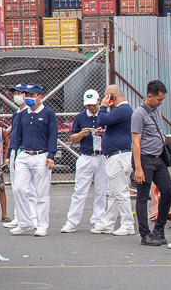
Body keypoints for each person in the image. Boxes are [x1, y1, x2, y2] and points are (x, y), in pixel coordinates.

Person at [10, 83, 57, 237]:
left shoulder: (49, 113)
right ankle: (25, 222)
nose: (28, 98)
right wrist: (16, 155)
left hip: (41, 155)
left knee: (41, 193)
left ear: (39, 96)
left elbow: (53, 135)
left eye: (31, 95)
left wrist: (51, 155)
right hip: (24, 154)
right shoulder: (23, 114)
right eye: (27, 95)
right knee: (19, 188)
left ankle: (42, 225)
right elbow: (18, 135)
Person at [131, 80, 171, 246]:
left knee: (168, 191)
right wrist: (138, 168)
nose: (161, 102)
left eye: (162, 100)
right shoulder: (138, 114)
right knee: (142, 197)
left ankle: (159, 230)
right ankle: (145, 234)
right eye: (159, 99)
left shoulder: (157, 109)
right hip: (145, 159)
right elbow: (136, 142)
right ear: (149, 96)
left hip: (159, 159)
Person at [60, 90, 107, 233]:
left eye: (93, 105)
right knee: (80, 190)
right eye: (88, 106)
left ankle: (98, 220)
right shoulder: (81, 117)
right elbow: (72, 138)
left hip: (102, 156)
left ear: (99, 101)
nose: (91, 108)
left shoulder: (105, 116)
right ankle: (72, 221)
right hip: (86, 156)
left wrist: (103, 132)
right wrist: (81, 134)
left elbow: (113, 133)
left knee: (101, 190)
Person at [91, 85, 135, 236]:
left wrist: (103, 106)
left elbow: (101, 119)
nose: (104, 100)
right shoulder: (121, 111)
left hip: (119, 156)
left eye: (106, 97)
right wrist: (106, 132)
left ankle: (128, 224)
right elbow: (112, 127)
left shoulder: (122, 110)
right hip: (116, 155)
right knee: (114, 192)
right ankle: (108, 222)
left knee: (120, 191)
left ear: (112, 97)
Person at [4, 83, 37, 229]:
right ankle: (19, 216)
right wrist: (10, 153)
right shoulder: (17, 113)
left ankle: (33, 217)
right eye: (15, 93)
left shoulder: (29, 113)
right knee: (16, 186)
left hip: (25, 151)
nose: (16, 96)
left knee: (29, 188)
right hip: (15, 150)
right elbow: (15, 135)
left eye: (19, 92)